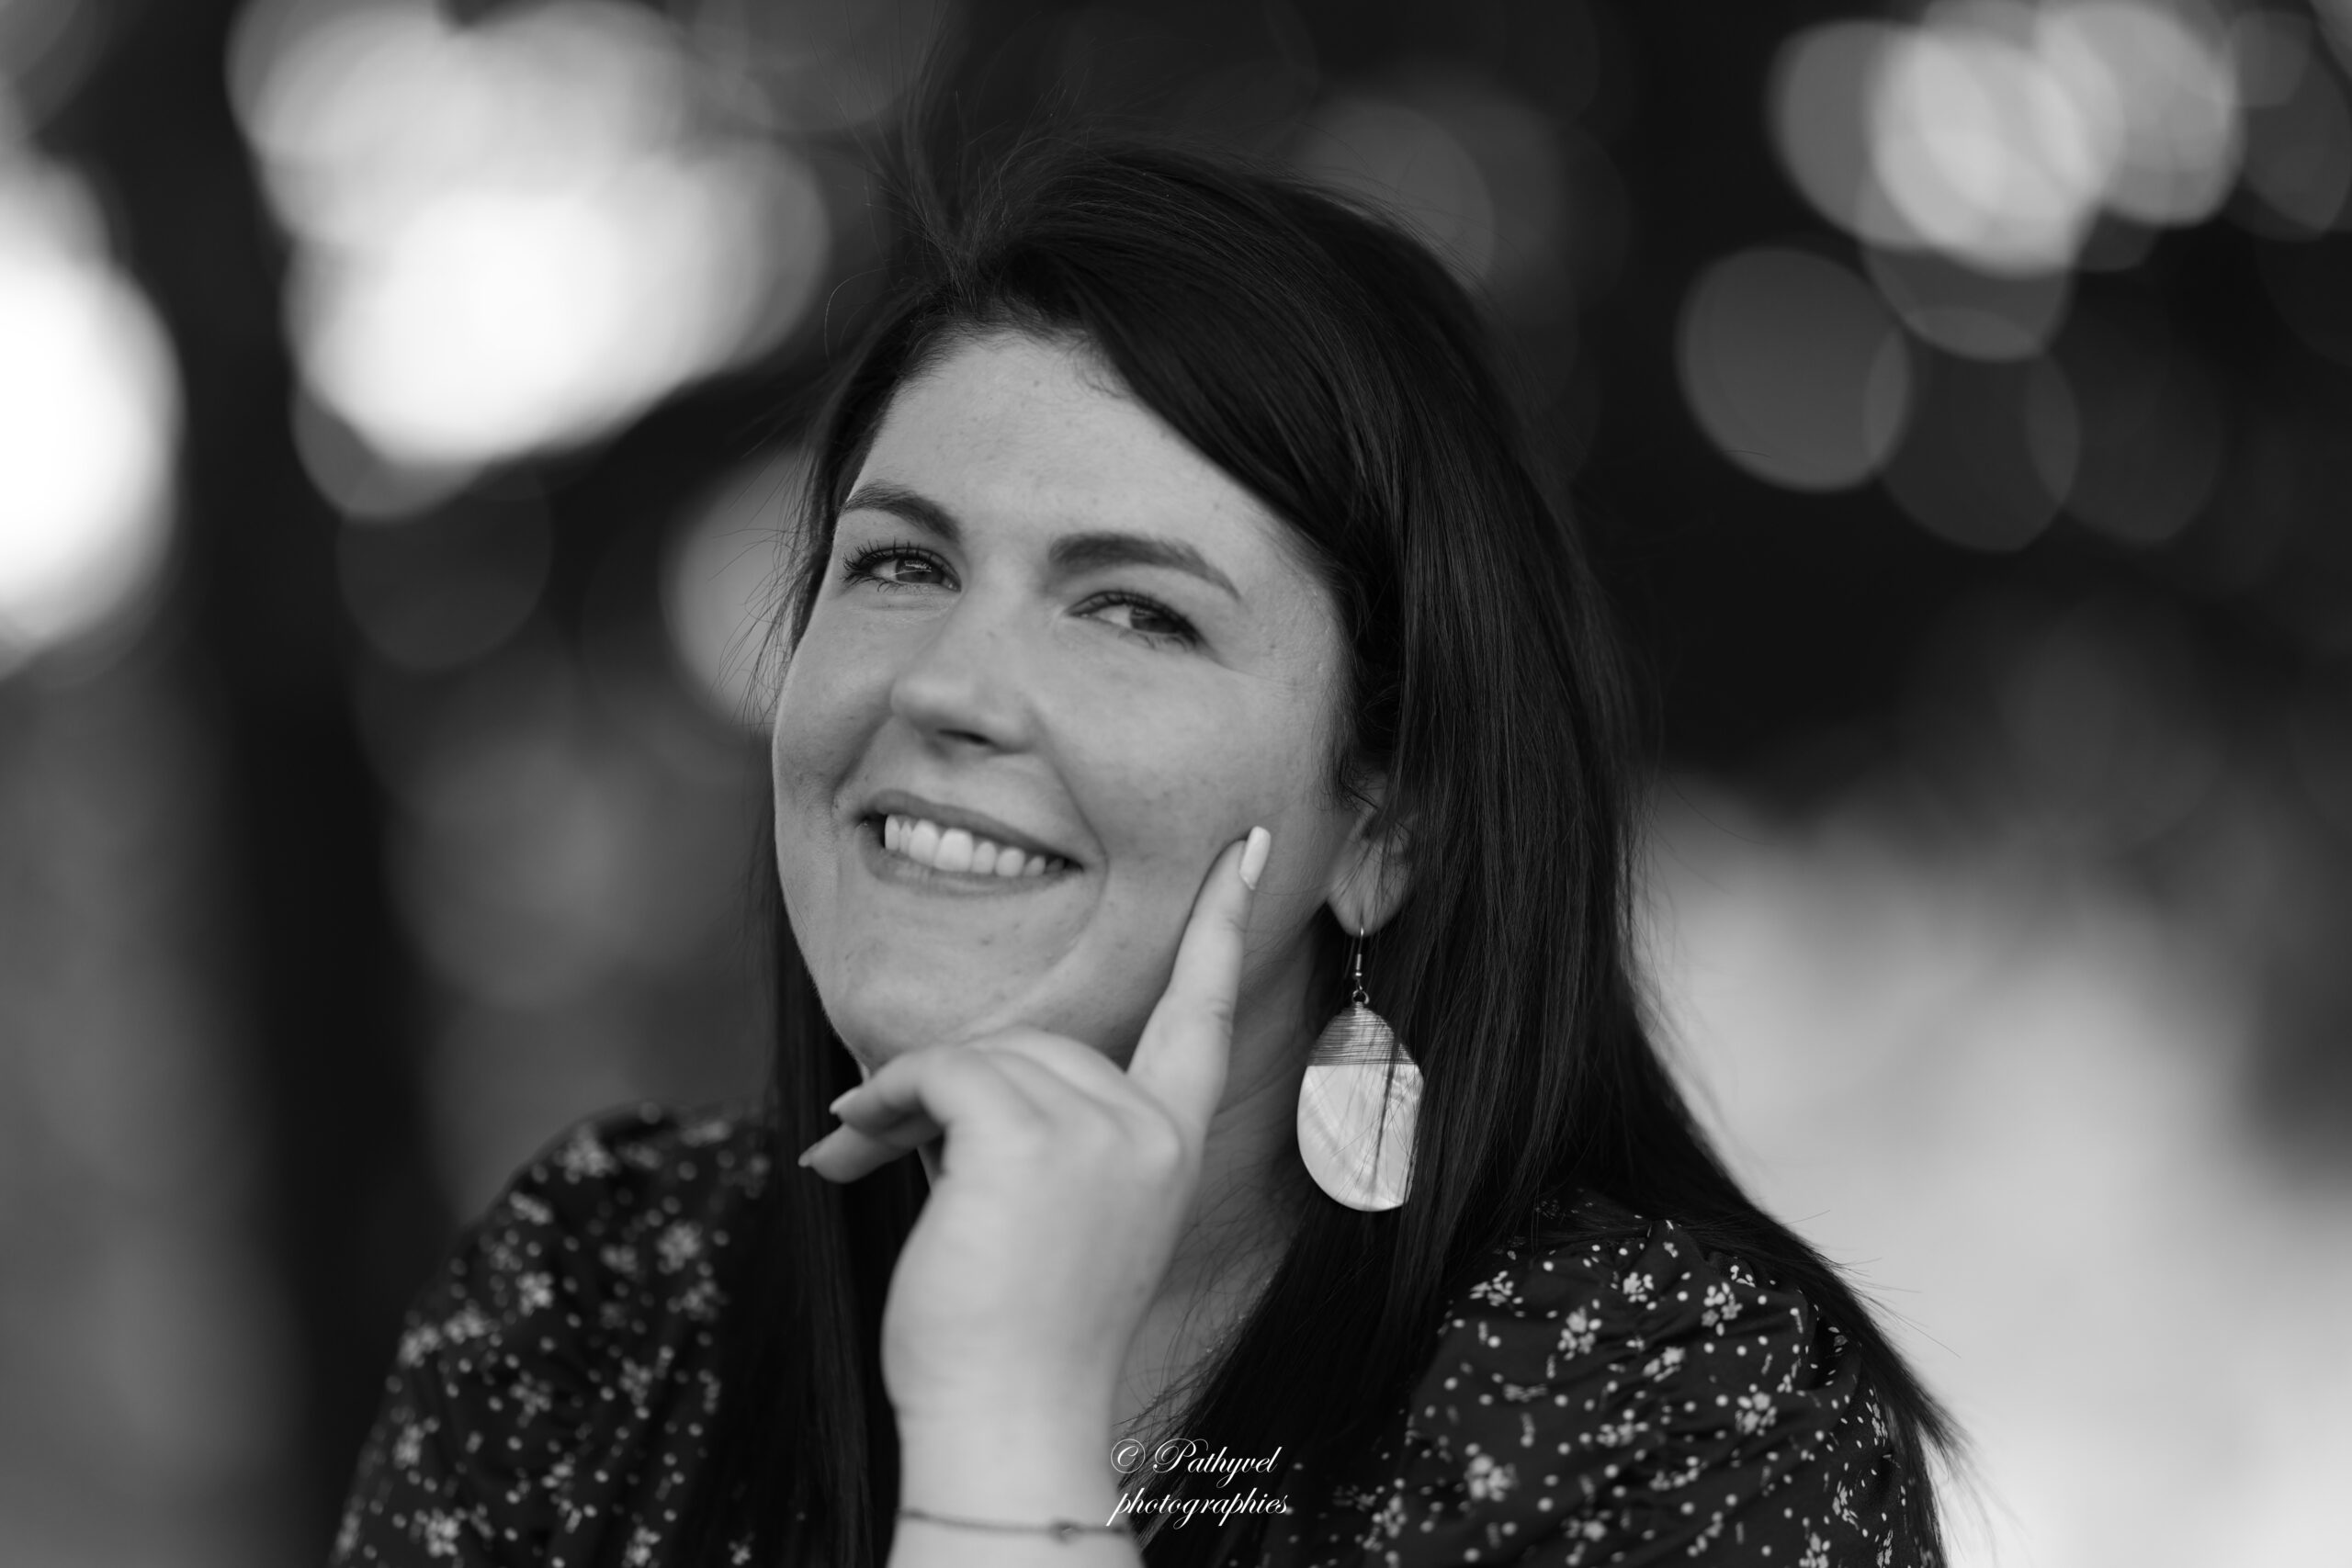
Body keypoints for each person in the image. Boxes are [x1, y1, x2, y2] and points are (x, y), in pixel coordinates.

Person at [329, 129, 1959, 1568]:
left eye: (1134, 611)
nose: (949, 686)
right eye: (899, 566)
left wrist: (1008, 1424)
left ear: (1386, 823)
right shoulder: (599, 1304)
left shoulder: (1674, 1416)